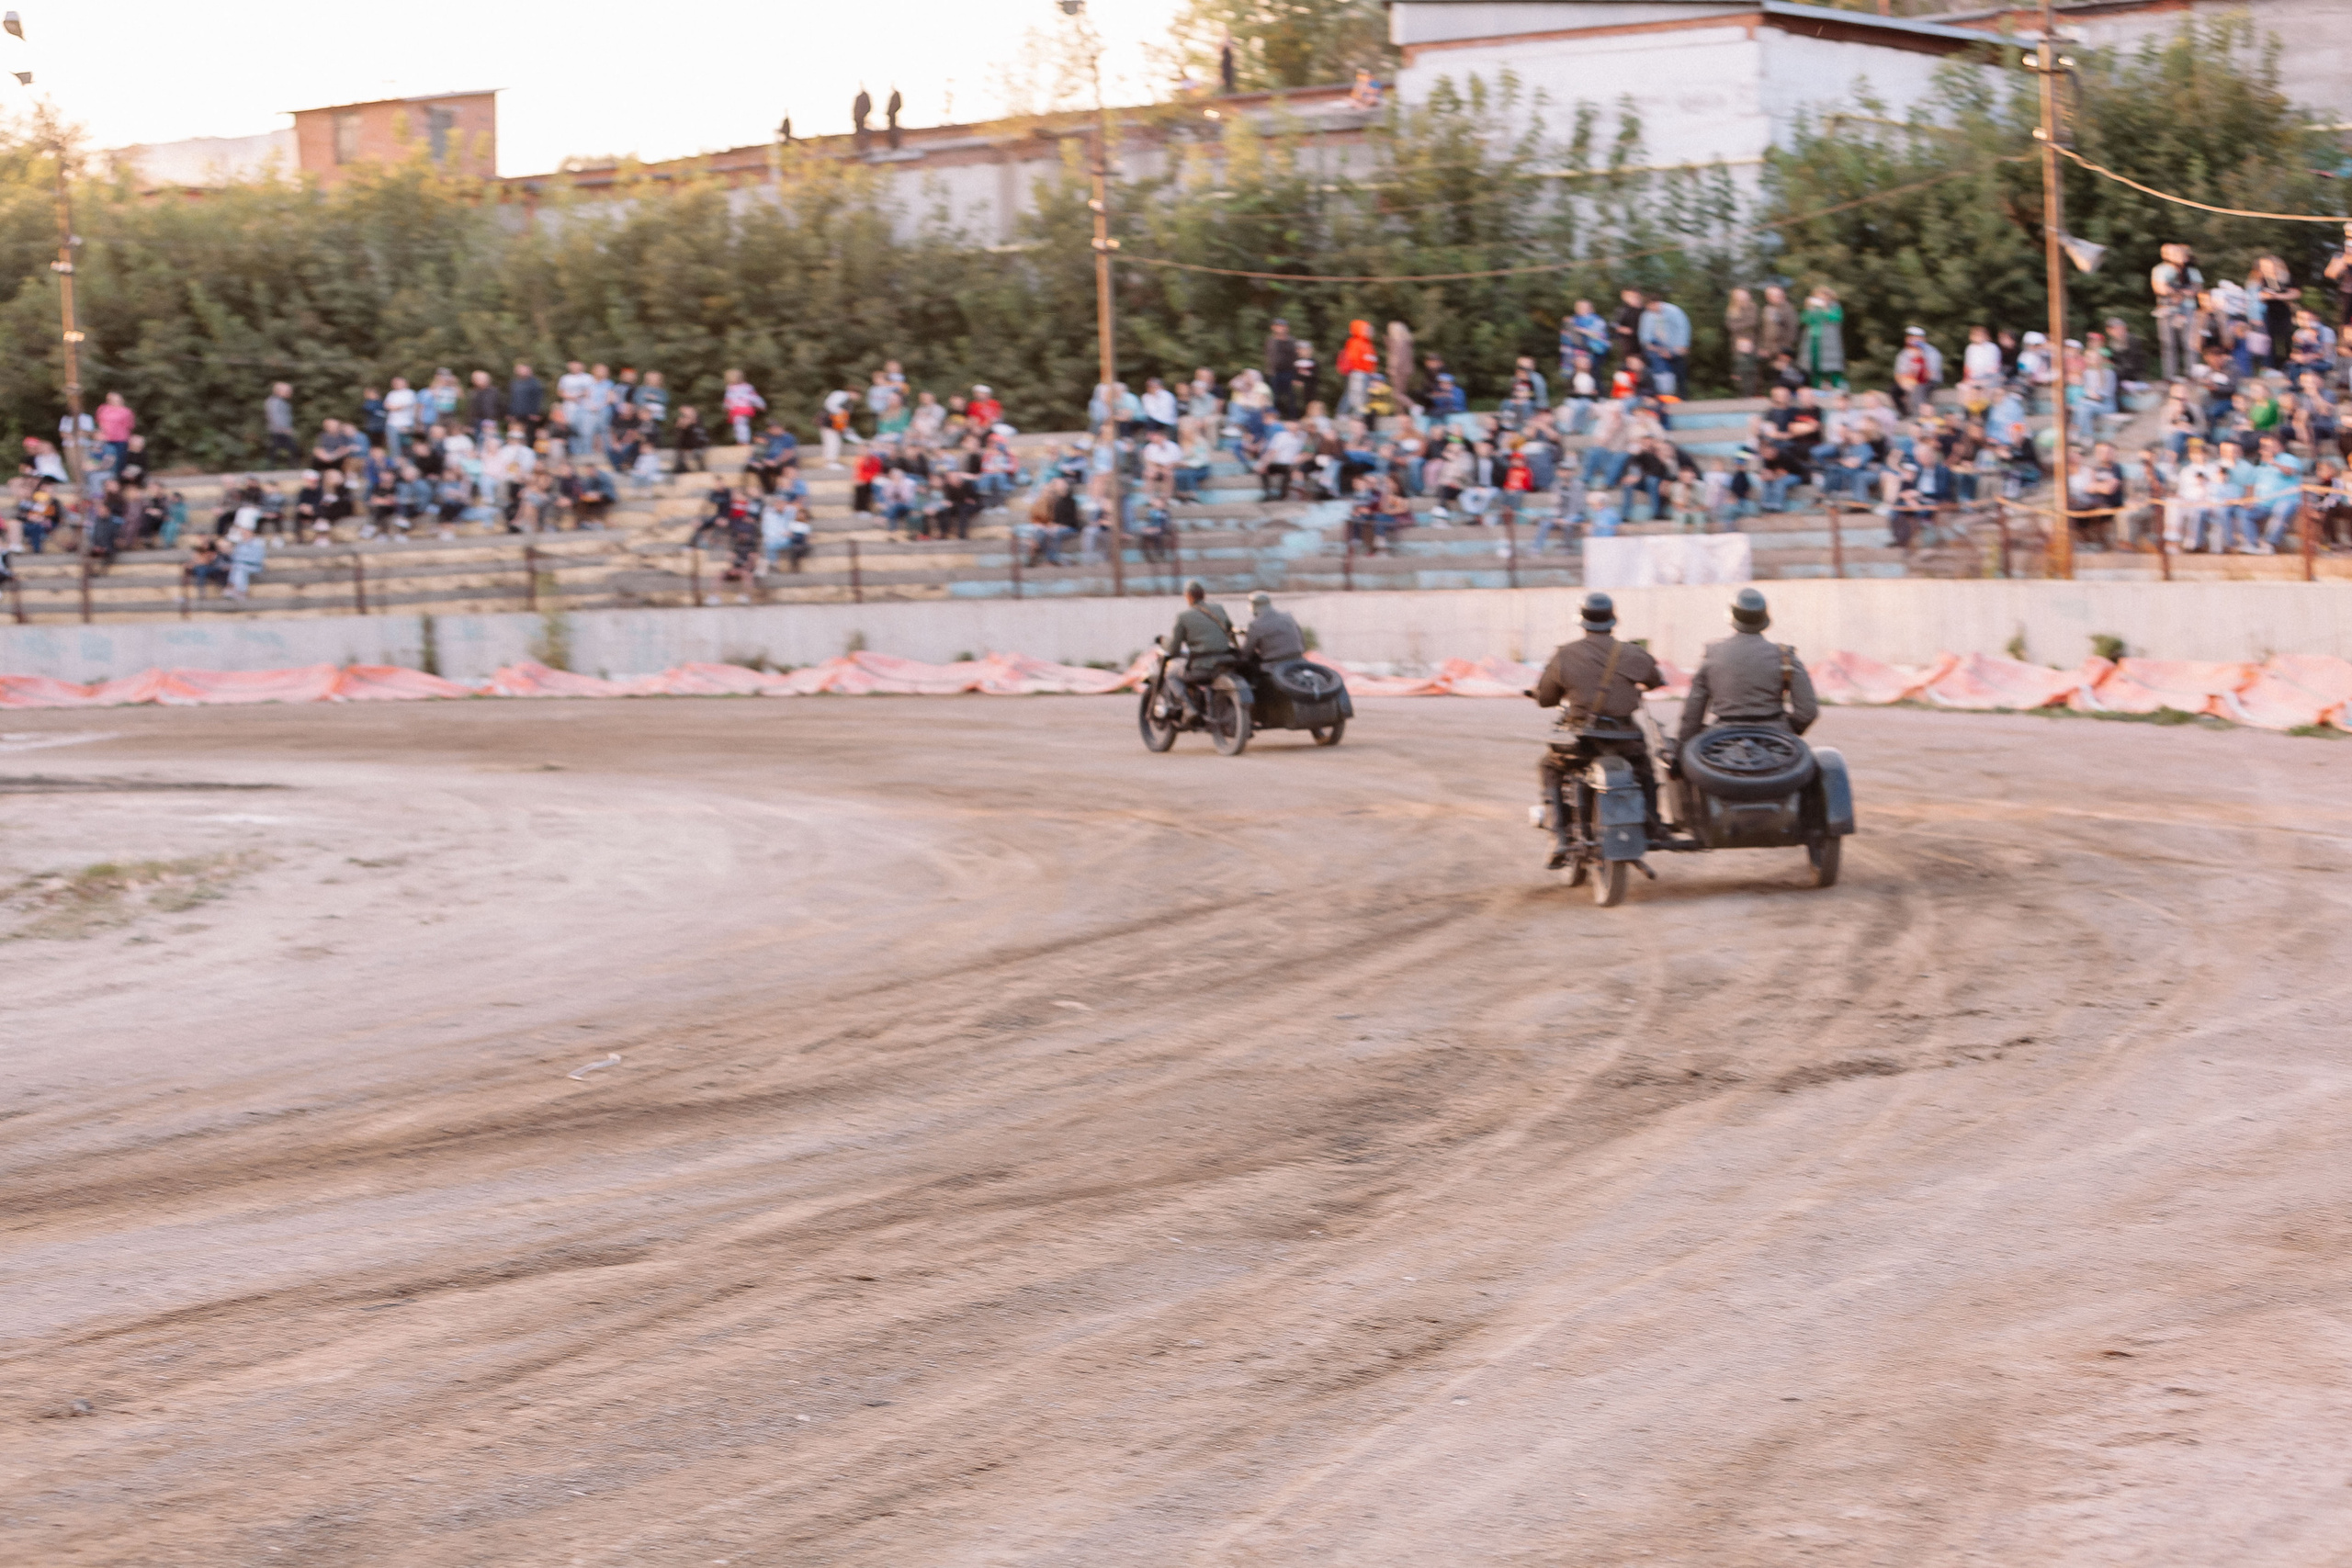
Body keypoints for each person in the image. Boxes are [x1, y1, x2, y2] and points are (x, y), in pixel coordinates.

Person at [1531, 592, 1667, 868]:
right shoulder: (1633, 653)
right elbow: (1655, 680)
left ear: (1582, 622)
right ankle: (1653, 823)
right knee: (1644, 770)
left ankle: (1558, 835)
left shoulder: (1564, 655)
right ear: (1613, 620)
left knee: (1550, 767)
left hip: (1582, 742)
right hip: (1625, 740)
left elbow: (1545, 699)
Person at [1679, 589, 1819, 758]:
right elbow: (1808, 711)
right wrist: (1788, 728)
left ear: (1732, 618)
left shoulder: (1713, 655)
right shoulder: (1785, 657)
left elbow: (1692, 713)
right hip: (1776, 739)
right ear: (1764, 618)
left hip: (1722, 738)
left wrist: (1681, 750)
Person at [1161, 579, 1237, 711]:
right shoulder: (1218, 609)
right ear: (1203, 595)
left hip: (1202, 668)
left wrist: (1162, 641)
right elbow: (1230, 630)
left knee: (1171, 673)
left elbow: (1174, 649)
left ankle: (1189, 708)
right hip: (1224, 664)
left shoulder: (1183, 616)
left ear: (1189, 596)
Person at [1241, 590, 1306, 664]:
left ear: (1254, 607)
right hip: (1299, 661)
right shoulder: (1288, 617)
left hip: (1274, 665)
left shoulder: (1255, 625)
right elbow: (1302, 641)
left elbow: (1246, 654)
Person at [263, 381, 298, 467]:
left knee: (276, 449)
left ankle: (273, 467)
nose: (290, 393)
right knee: (290, 449)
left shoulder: (281, 401)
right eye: (287, 391)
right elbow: (275, 416)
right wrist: (284, 429)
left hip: (280, 430)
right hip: (278, 431)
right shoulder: (274, 402)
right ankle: (273, 467)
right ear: (279, 391)